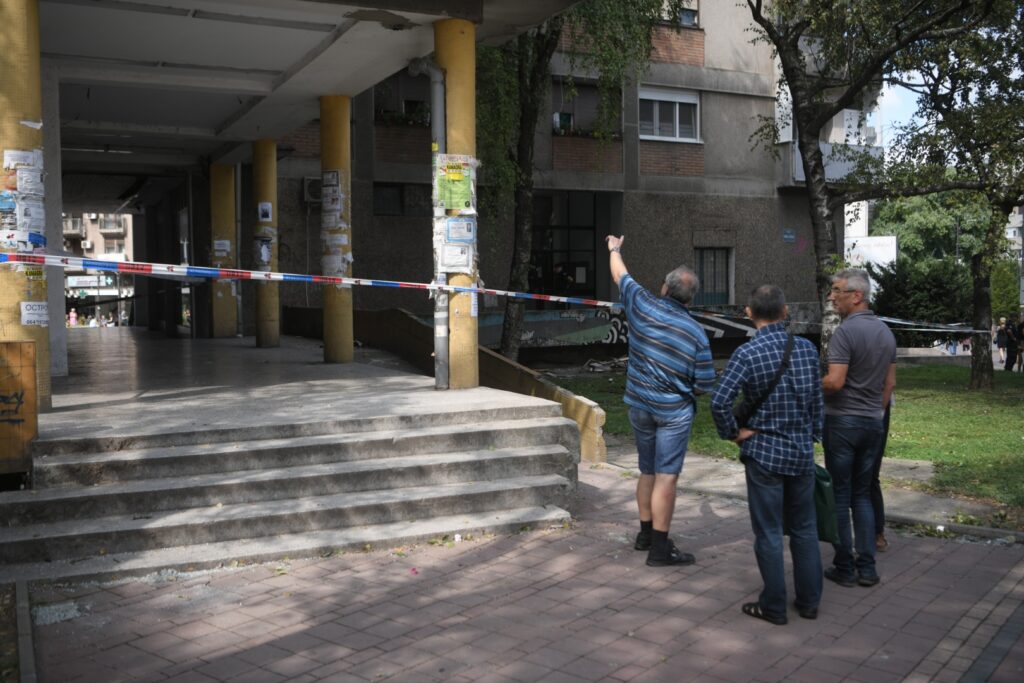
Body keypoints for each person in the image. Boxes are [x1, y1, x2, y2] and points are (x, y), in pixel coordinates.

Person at [710, 285, 824, 625]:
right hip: (801, 454)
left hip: (764, 455)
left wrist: (733, 433)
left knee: (770, 532)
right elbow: (818, 399)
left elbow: (718, 401)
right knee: (805, 529)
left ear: (748, 313)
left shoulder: (747, 354)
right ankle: (809, 602)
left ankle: (774, 605)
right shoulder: (806, 349)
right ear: (785, 311)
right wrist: (813, 434)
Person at [606, 235, 716, 567]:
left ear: (665, 288)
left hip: (639, 405)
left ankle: (644, 534)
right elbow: (705, 383)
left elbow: (619, 275)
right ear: (691, 299)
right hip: (674, 413)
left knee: (647, 470)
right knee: (667, 476)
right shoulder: (696, 333)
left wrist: (614, 248)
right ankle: (659, 550)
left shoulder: (641, 303)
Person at [822, 268, 896, 588]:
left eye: (837, 290)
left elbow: (835, 382)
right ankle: (867, 567)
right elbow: (888, 385)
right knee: (862, 495)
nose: (831, 296)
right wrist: (873, 415)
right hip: (872, 423)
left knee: (840, 494)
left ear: (857, 296)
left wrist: (812, 385)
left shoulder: (845, 333)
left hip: (843, 423)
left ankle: (844, 566)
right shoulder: (885, 333)